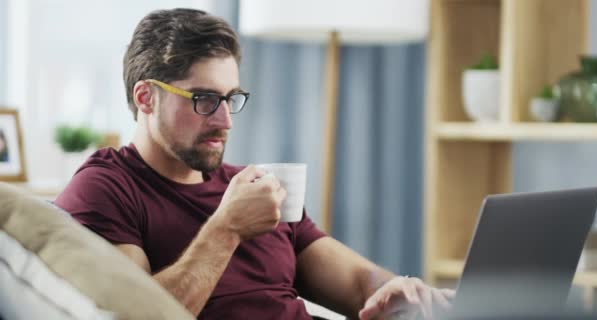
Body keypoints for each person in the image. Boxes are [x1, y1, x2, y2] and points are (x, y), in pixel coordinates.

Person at [55, 8, 453, 320]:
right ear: (146, 98)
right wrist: (227, 229)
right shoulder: (105, 189)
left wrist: (395, 288)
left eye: (231, 98)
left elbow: (355, 282)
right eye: (204, 99)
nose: (225, 120)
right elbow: (138, 316)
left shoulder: (251, 186)